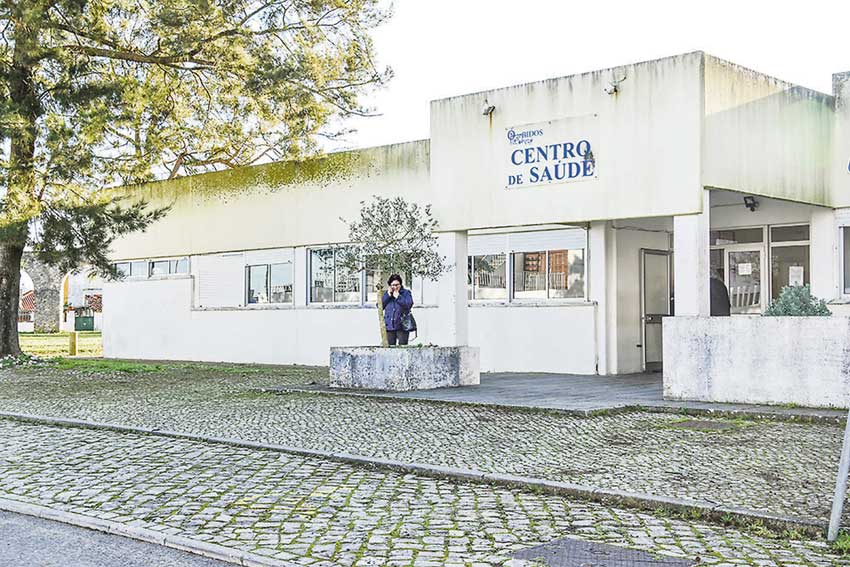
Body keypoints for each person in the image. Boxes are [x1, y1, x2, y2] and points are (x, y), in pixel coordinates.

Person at [382, 274, 414, 345]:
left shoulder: (406, 293)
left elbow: (409, 304)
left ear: (400, 284)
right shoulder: (387, 293)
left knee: (402, 347)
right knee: (390, 348)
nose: (395, 287)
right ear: (390, 285)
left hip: (402, 325)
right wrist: (387, 296)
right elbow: (380, 306)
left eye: (397, 285)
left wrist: (398, 297)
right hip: (389, 326)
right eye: (393, 285)